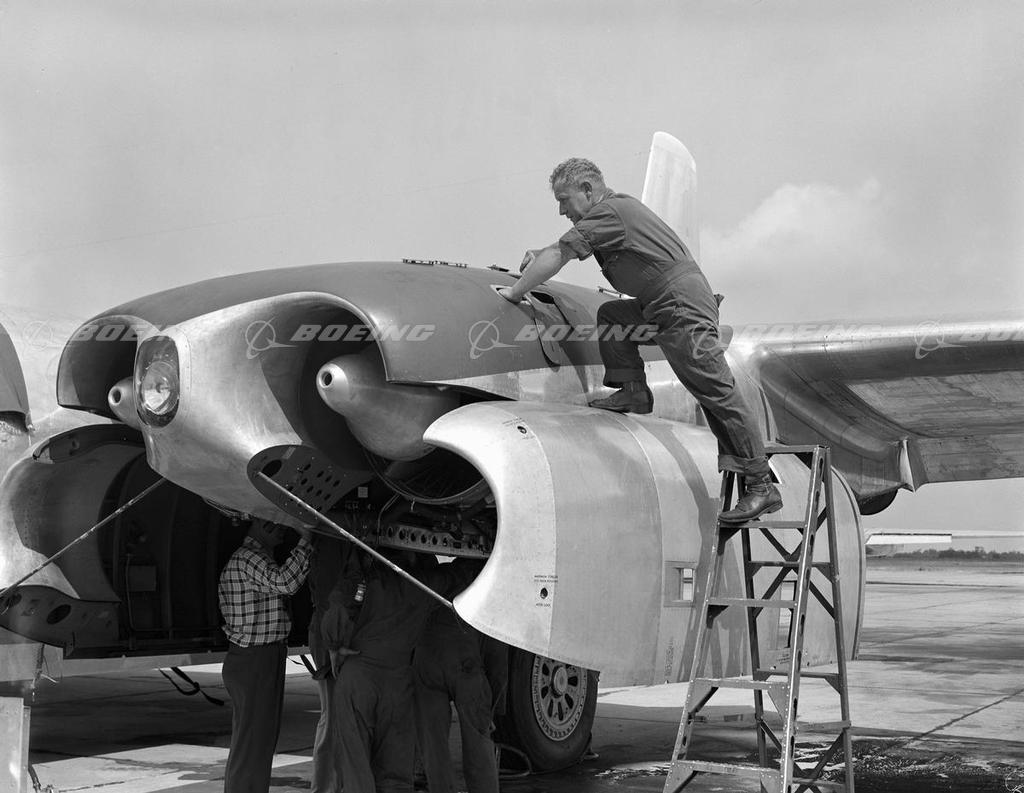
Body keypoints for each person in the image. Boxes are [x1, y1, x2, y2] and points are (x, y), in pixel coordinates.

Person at [497, 157, 781, 523]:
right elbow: (560, 249)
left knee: (716, 392)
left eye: (564, 200)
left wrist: (516, 292)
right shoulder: (613, 214)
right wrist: (542, 255)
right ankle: (634, 392)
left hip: (679, 304)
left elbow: (560, 253)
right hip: (661, 302)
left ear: (588, 190)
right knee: (613, 317)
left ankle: (761, 485)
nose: (562, 210)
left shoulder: (610, 212)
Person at [332, 551, 478, 792]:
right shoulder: (422, 586)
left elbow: (336, 611)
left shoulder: (365, 581)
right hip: (397, 683)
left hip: (359, 675)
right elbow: (458, 576)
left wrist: (334, 644)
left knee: (354, 768)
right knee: (396, 774)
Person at [217, 519, 314, 793]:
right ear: (263, 527)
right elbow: (286, 583)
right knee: (252, 741)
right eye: (277, 525)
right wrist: (306, 540)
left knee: (259, 739)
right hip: (255, 660)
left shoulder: (256, 557)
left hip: (261, 657)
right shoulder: (248, 558)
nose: (282, 531)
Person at [413, 604, 504, 793]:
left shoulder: (424, 584)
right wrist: (493, 709)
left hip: (425, 658)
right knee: (477, 743)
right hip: (464, 661)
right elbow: (498, 656)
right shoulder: (482, 593)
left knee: (433, 747)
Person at [306, 534, 363, 793]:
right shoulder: (332, 540)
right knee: (332, 718)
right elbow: (329, 597)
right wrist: (332, 643)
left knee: (338, 717)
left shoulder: (340, 538)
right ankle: (325, 788)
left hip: (335, 633)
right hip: (330, 635)